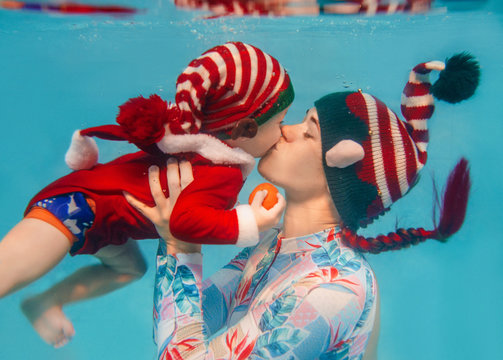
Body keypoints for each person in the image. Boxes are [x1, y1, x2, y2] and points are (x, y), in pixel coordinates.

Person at [126, 53, 479, 359]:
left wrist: (180, 245)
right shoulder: (271, 244)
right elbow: (191, 322)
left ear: (340, 171)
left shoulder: (331, 291)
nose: (283, 131)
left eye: (308, 132)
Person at [0, 42, 292, 348]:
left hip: (103, 221)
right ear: (244, 129)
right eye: (280, 122)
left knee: (129, 270)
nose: (284, 131)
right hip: (77, 207)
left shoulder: (198, 142)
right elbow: (183, 223)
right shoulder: (223, 171)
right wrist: (251, 222)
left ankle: (45, 302)